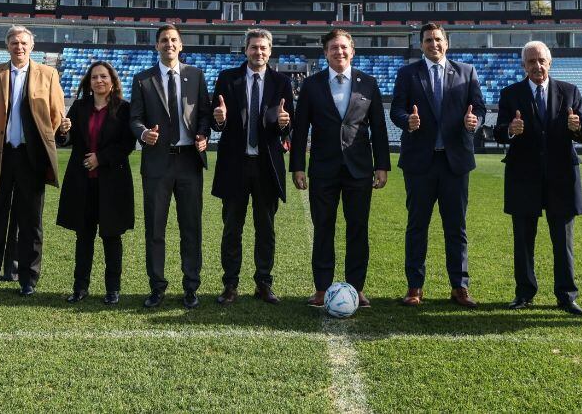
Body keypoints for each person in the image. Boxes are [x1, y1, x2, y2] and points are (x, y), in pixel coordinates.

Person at [291, 29, 390, 308]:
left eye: (344, 47)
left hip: (359, 168)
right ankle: (322, 288)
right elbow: (300, 130)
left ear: (352, 51)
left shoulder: (368, 83)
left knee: (357, 228)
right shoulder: (312, 85)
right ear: (325, 53)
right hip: (323, 169)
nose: (339, 52)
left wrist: (382, 165)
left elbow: (379, 129)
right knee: (323, 227)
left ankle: (356, 288)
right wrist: (298, 166)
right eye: (333, 48)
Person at [389, 24, 485, 307]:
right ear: (421, 45)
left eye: (438, 39)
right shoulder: (408, 73)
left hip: (455, 162)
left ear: (447, 43)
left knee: (456, 227)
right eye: (428, 40)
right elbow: (396, 109)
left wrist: (474, 122)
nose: (434, 44)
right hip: (420, 162)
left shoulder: (466, 72)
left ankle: (459, 286)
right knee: (417, 225)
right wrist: (407, 120)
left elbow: (478, 107)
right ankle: (415, 287)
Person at [492, 41, 582, 315]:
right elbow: (498, 132)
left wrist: (577, 127)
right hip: (524, 176)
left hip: (562, 177)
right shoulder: (510, 94)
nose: (537, 66)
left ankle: (566, 296)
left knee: (563, 242)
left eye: (542, 60)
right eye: (531, 61)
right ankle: (524, 293)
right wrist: (510, 129)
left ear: (550, 62)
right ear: (523, 65)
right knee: (523, 241)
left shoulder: (570, 92)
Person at [0, 25, 65, 298]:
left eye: (23, 43)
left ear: (31, 46)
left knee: (31, 220)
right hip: (0, 157)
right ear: (7, 46)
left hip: (31, 157)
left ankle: (28, 279)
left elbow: (56, 115)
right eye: (14, 43)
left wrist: (42, 138)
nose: (19, 47)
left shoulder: (48, 74)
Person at [129, 24, 212, 309]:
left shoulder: (196, 75)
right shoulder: (142, 80)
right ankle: (157, 286)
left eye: (174, 40)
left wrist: (203, 134)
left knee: (191, 227)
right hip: (157, 162)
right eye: (164, 40)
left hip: (189, 161)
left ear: (181, 45)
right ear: (157, 46)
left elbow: (204, 115)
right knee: (155, 229)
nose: (169, 44)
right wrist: (143, 134)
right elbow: (134, 118)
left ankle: (191, 286)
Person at [210, 29, 293, 305]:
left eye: (264, 48)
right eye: (254, 47)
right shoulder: (227, 78)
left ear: (270, 51)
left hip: (267, 166)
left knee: (265, 228)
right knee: (232, 227)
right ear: (245, 50)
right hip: (235, 164)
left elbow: (287, 125)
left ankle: (263, 282)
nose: (259, 52)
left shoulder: (281, 82)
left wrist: (285, 125)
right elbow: (215, 122)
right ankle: (230, 284)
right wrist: (219, 119)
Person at [56, 61, 135, 304]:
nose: (98, 81)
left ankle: (113, 289)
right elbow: (65, 140)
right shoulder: (79, 107)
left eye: (103, 77)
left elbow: (127, 145)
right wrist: (63, 130)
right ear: (88, 82)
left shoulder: (124, 108)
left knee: (112, 237)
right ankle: (80, 288)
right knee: (84, 236)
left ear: (112, 81)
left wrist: (101, 158)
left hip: (112, 183)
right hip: (82, 181)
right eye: (94, 77)